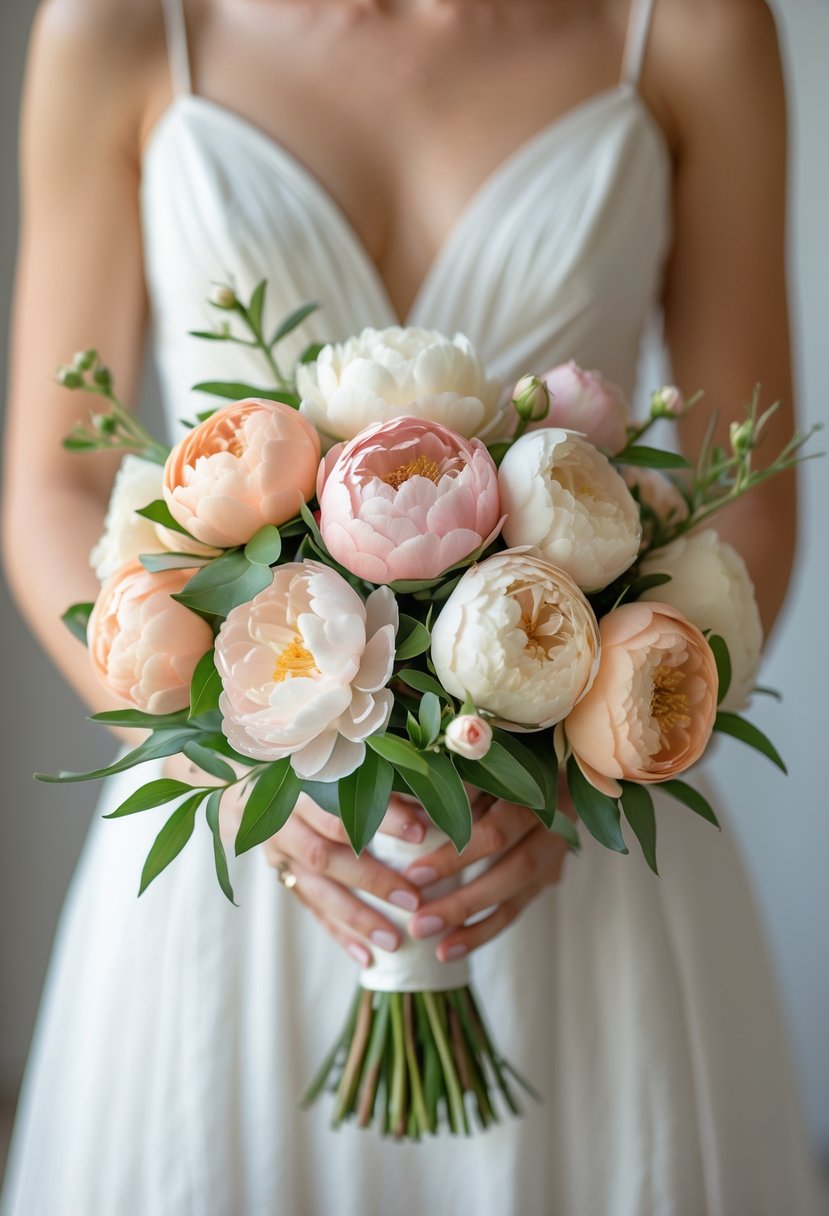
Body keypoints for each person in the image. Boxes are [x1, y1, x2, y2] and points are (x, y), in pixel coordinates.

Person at [1, 0, 823, 1212]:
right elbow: (52, 483)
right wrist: (228, 767)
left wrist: (581, 773)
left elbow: (746, 494)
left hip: (569, 856)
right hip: (246, 841)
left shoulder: (691, 30)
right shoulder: (122, 28)